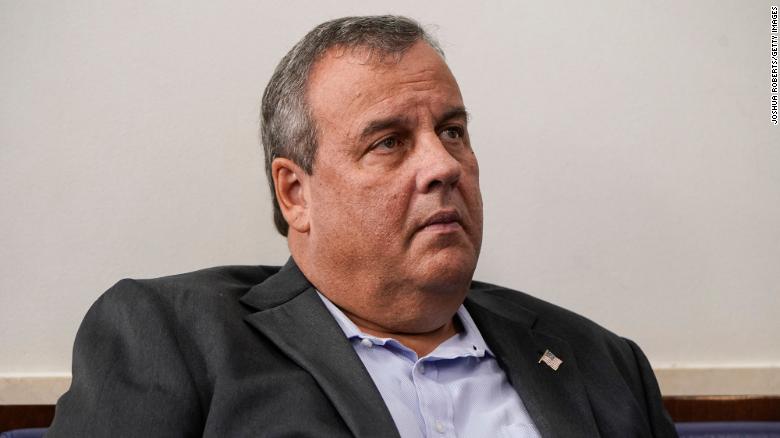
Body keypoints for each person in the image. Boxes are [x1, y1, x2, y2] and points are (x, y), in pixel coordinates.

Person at [48, 15, 677, 438]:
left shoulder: (603, 362)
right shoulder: (175, 336)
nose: (442, 165)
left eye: (452, 131)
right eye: (389, 142)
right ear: (296, 194)